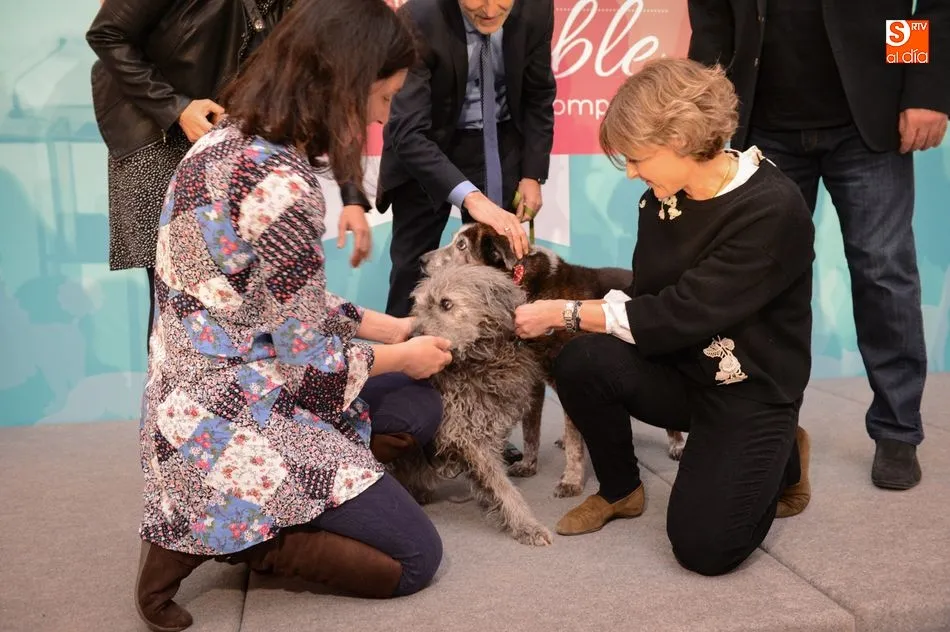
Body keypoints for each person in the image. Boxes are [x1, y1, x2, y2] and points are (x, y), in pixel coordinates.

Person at [130, 1, 453, 630]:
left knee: (418, 405)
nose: (383, 115)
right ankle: (238, 532)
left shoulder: (223, 141)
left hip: (183, 397)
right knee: (416, 559)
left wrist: (385, 327)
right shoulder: (283, 187)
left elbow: (273, 304)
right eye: (381, 97)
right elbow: (305, 363)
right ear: (342, 83)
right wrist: (403, 354)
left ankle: (263, 503)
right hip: (233, 415)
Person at [514, 58, 816, 576]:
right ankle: (621, 489)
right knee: (579, 359)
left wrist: (564, 310)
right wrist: (576, 322)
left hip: (748, 386)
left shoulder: (773, 210)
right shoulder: (660, 200)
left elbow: (680, 313)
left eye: (637, 157)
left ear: (680, 138)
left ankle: (782, 448)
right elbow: (646, 296)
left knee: (705, 548)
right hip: (681, 370)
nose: (631, 171)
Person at [687, 0, 950, 490]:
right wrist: (707, 120)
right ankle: (766, 429)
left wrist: (923, 88)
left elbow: (920, 7)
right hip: (760, 125)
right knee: (760, 283)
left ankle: (897, 430)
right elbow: (711, 22)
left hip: (870, 120)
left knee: (884, 272)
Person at [86, 0, 374, 352]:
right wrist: (175, 108)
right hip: (156, 132)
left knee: (239, 290)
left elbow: (322, 77)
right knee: (177, 298)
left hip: (225, 142)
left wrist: (352, 195)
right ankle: (181, 400)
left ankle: (235, 395)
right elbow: (107, 33)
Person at [378, 0, 556, 318]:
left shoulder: (537, 8)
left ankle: (491, 363)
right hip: (426, 147)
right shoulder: (419, 17)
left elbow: (538, 94)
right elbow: (407, 133)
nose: (489, 10)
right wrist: (472, 198)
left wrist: (532, 173)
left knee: (494, 273)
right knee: (412, 272)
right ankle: (403, 361)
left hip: (496, 145)